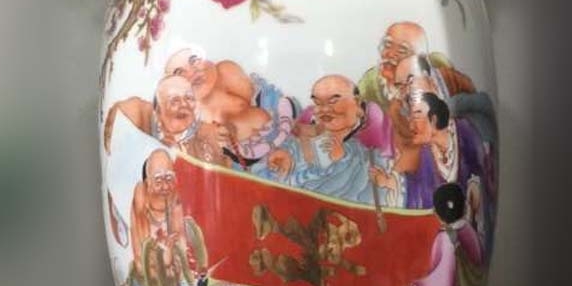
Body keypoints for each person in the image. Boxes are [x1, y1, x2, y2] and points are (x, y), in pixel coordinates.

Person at [254, 75, 402, 207]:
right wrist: (284, 158)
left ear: (356, 103)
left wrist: (343, 159)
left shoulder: (368, 154)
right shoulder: (301, 143)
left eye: (333, 101)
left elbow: (390, 190)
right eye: (318, 103)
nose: (324, 109)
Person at [164, 48, 297, 163]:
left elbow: (267, 98)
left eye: (194, 60)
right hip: (248, 160)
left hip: (282, 137)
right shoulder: (192, 123)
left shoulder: (227, 72)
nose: (192, 72)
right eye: (180, 73)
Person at [129, 149, 200, 286]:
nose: (164, 186)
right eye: (158, 180)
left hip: (172, 281)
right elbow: (142, 262)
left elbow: (181, 247)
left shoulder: (175, 201)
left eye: (169, 178)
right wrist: (163, 262)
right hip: (149, 282)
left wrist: (175, 264)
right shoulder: (141, 202)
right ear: (148, 183)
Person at [103, 74, 229, 166]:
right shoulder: (136, 116)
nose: (184, 105)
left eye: (189, 98)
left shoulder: (208, 134)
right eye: (175, 101)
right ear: (158, 110)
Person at [358, 21, 475, 109]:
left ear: (420, 60)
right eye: (387, 45)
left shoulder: (446, 76)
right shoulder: (369, 84)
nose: (389, 54)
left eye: (402, 50)